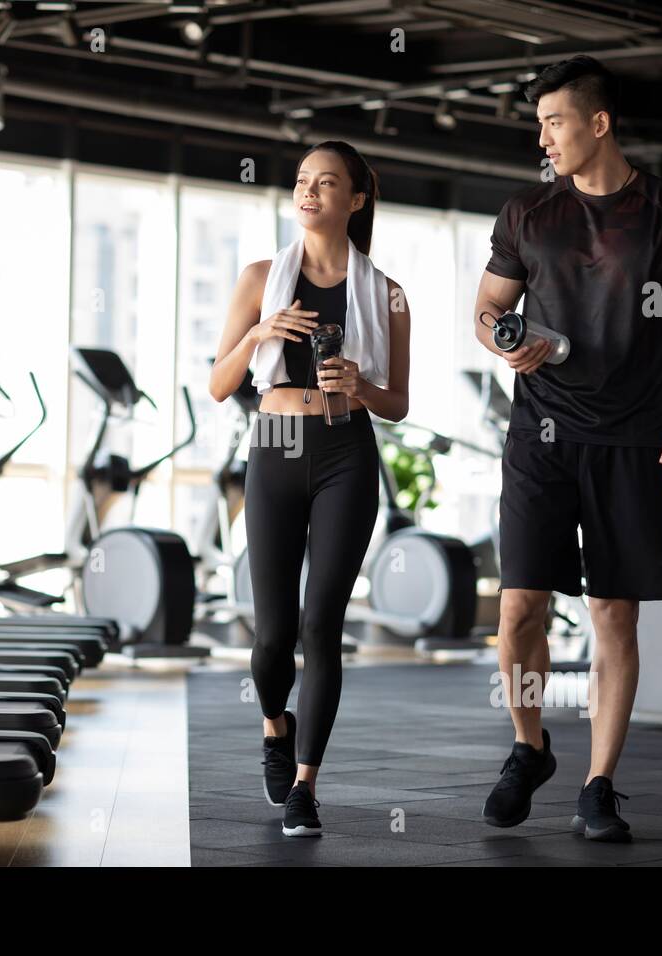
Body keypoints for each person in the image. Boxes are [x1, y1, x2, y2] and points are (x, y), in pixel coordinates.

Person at [473, 55, 662, 842]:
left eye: (554, 122)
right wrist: (506, 341)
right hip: (540, 433)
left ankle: (599, 784)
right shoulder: (525, 213)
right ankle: (529, 745)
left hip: (634, 437)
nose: (542, 137)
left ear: (599, 123)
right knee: (519, 610)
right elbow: (485, 310)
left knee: (613, 613)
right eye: (540, 124)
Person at [208, 141, 410, 837]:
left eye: (327, 183)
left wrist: (361, 385)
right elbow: (218, 384)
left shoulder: (385, 294)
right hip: (274, 443)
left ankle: (305, 785)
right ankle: (274, 725)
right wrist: (261, 330)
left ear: (355, 200)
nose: (309, 192)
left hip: (344, 449)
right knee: (273, 636)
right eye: (301, 182)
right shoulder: (261, 277)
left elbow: (399, 403)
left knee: (323, 626)